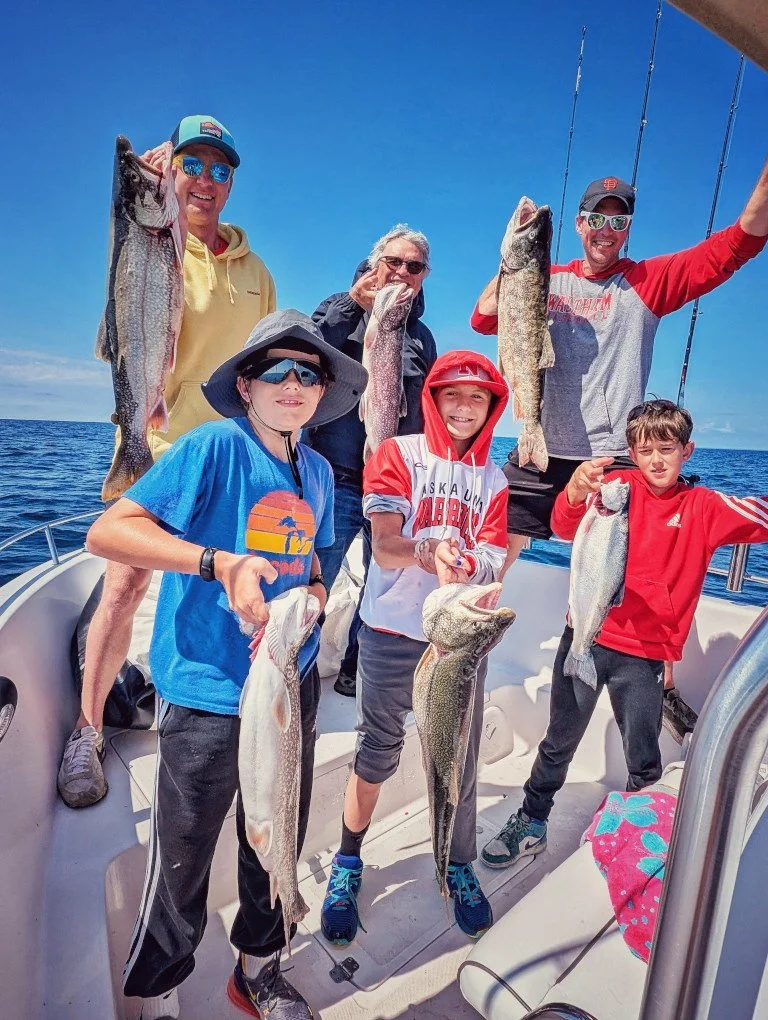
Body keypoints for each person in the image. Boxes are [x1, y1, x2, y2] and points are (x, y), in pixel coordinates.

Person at [85, 310, 368, 1020]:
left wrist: (306, 597)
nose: (295, 384)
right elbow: (108, 530)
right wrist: (219, 563)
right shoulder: (213, 446)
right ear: (246, 385)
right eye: (278, 370)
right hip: (210, 689)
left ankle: (259, 970)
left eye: (311, 373)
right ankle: (155, 994)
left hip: (289, 680)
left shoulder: (320, 472)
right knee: (183, 854)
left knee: (274, 831)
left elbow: (313, 572)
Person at [471, 162, 768, 736]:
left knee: (647, 575)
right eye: (594, 218)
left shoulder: (649, 282)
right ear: (579, 224)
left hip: (614, 459)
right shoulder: (545, 277)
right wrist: (514, 265)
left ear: (627, 228)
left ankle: (665, 689)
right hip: (538, 444)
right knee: (496, 549)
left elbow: (738, 243)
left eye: (618, 219)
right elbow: (483, 319)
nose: (605, 229)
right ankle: (467, 648)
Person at [58, 114, 277, 808]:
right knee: (123, 587)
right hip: (159, 446)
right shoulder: (157, 243)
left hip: (233, 455)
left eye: (220, 170)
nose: (205, 181)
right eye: (193, 165)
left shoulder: (256, 273)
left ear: (232, 183)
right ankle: (86, 732)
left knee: (232, 589)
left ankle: (221, 721)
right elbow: (129, 280)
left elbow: (267, 365)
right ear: (171, 171)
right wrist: (135, 195)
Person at [481, 398, 768, 870]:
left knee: (643, 750)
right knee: (559, 741)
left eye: (666, 448)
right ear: (631, 453)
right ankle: (532, 821)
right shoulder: (613, 488)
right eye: (645, 449)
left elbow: (758, 516)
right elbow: (562, 525)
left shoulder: (702, 507)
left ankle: (643, 829)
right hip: (585, 641)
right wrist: (574, 491)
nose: (656, 459)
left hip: (646, 656)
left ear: (688, 451)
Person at [319, 350, 509, 944]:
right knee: (376, 750)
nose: (462, 407)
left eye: (476, 398)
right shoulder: (398, 454)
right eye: (451, 394)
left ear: (491, 408)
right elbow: (385, 543)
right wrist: (431, 553)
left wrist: (472, 567)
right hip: (389, 634)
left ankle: (458, 864)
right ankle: (347, 863)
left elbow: (495, 561)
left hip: (456, 645)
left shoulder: (495, 481)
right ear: (432, 397)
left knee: (459, 757)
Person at [304, 225, 437, 697]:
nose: (402, 273)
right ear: (375, 262)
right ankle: (292, 673)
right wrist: (352, 305)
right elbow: (304, 349)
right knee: (314, 575)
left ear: (424, 276)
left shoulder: (422, 338)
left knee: (384, 584)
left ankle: (356, 670)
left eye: (414, 266)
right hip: (335, 476)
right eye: (394, 262)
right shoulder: (340, 311)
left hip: (392, 484)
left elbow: (425, 411)